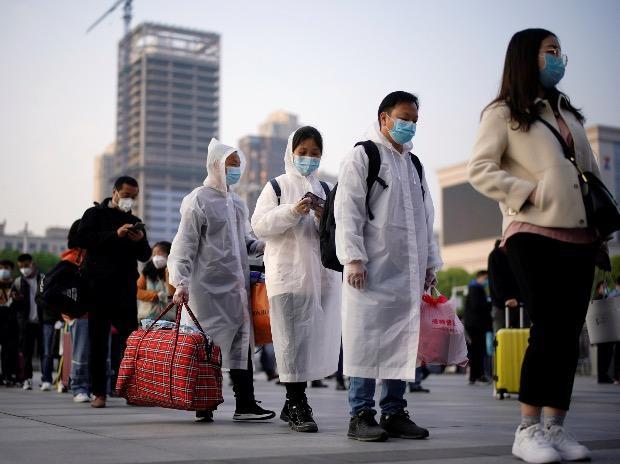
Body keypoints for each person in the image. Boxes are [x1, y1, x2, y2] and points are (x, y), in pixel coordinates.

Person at [468, 28, 603, 463]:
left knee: (568, 335)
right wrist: (529, 192)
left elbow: (591, 174)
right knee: (547, 329)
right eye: (550, 51)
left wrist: (601, 227)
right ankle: (527, 429)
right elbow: (480, 169)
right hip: (531, 231)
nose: (559, 58)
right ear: (527, 57)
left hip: (581, 234)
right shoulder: (504, 113)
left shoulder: (569, 113)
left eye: (561, 51)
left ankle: (555, 427)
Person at [335, 91, 442, 442]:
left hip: (406, 273)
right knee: (364, 338)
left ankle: (394, 411)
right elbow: (347, 209)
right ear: (384, 118)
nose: (409, 125)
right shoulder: (363, 155)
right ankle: (360, 413)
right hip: (369, 269)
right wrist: (352, 257)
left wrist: (430, 263)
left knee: (402, 340)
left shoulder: (414, 165)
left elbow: (427, 218)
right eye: (403, 117)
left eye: (414, 120)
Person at [168, 138, 275, 423]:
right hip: (205, 289)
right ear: (215, 166)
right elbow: (184, 245)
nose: (236, 170)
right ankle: (204, 403)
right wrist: (180, 281)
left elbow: (246, 241)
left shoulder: (237, 203)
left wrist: (264, 244)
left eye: (239, 165)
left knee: (241, 341)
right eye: (231, 165)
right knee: (206, 345)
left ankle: (246, 403)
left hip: (235, 288)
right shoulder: (197, 200)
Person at [252, 126, 342, 433]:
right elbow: (260, 226)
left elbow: (339, 230)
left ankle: (292, 402)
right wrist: (292, 211)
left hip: (321, 278)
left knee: (311, 341)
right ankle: (297, 403)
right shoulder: (276, 186)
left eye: (315, 153)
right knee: (290, 342)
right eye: (303, 152)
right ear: (291, 153)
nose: (308, 158)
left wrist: (322, 217)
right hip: (287, 276)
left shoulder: (328, 189)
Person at [76, 176, 151, 408]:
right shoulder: (94, 214)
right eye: (127, 195)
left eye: (134, 197)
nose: (129, 200)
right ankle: (99, 392)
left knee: (131, 340)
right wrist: (114, 234)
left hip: (125, 288)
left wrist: (139, 240)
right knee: (98, 341)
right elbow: (82, 239)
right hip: (98, 288)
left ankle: (131, 390)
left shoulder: (134, 220)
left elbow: (145, 255)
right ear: (115, 192)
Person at [12, 254, 57, 391]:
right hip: (26, 323)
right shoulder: (18, 282)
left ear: (32, 264)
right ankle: (27, 379)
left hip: (44, 321)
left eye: (26, 265)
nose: (24, 269)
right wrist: (16, 300)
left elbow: (51, 299)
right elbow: (14, 307)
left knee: (46, 351)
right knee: (27, 352)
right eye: (21, 267)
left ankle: (47, 379)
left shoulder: (43, 279)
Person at [60, 220, 91, 403]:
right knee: (80, 353)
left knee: (95, 353)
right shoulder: (72, 258)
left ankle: (94, 387)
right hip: (79, 314)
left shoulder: (95, 255)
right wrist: (67, 311)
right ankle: (79, 387)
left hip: (97, 312)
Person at [487, 240, 528, 332]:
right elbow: (495, 280)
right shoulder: (495, 255)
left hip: (520, 303)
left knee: (523, 333)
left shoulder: (516, 253)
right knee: (501, 335)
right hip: (501, 305)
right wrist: (506, 298)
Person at [464, 271, 492, 385]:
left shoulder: (473, 288)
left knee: (476, 351)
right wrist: (489, 302)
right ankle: (477, 375)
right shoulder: (475, 288)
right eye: (485, 278)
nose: (486, 281)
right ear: (480, 277)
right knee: (478, 351)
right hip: (476, 325)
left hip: (473, 324)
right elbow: (477, 306)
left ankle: (475, 375)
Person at [137, 241, 173, 322]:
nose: (156, 257)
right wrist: (155, 295)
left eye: (160, 254)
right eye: (154, 254)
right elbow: (137, 292)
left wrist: (168, 272)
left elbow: (172, 293)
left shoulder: (174, 272)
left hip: (169, 319)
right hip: (146, 317)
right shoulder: (147, 272)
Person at [595, 280, 620, 384]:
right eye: (603, 287)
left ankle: (603, 376)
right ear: (598, 288)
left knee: (606, 354)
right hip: (605, 331)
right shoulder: (601, 298)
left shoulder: (603, 298)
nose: (606, 289)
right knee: (605, 354)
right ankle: (603, 376)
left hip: (604, 331)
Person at [0, 260, 18, 386]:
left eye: (6, 268)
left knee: (9, 350)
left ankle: (8, 375)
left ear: (11, 270)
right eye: (1, 268)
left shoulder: (15, 285)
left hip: (11, 322)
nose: (3, 270)